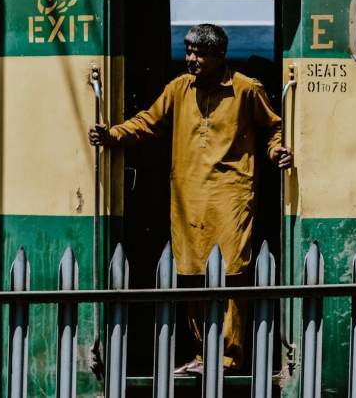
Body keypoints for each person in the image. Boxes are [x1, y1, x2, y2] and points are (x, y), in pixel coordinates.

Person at [88, 24, 292, 374]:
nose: (191, 59)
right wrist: (112, 135)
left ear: (219, 55)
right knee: (193, 275)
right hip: (187, 196)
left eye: (199, 53)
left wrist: (276, 152)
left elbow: (272, 126)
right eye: (188, 51)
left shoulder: (247, 89)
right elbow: (147, 122)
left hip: (231, 196)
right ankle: (202, 355)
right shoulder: (177, 89)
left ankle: (229, 358)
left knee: (232, 275)